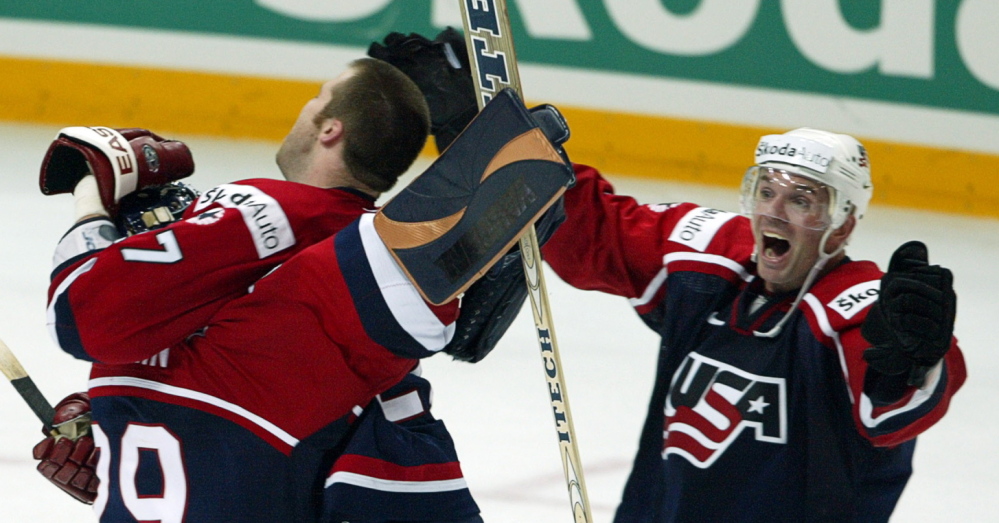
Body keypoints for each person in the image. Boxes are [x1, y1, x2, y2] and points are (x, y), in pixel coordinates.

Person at [32, 43, 573, 522]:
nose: (308, 107)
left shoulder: (271, 213)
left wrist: (90, 199)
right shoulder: (294, 315)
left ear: (330, 128)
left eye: (319, 97)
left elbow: (80, 316)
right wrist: (102, 416)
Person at [539, 129, 966, 521]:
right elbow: (592, 231)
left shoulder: (859, 310)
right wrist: (513, 151)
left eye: (801, 200)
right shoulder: (709, 259)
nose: (774, 214)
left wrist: (908, 366)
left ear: (842, 226)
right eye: (765, 192)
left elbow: (894, 408)